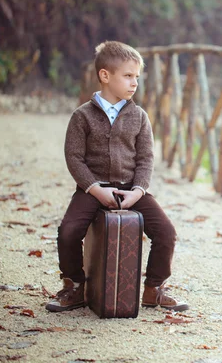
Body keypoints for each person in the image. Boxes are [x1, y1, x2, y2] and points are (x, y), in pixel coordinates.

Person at [46, 41, 188, 312]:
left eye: (137, 77)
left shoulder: (139, 117)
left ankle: (154, 289)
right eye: (128, 76)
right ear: (105, 76)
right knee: (68, 231)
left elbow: (146, 158)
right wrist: (94, 189)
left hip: (130, 189)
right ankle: (74, 287)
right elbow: (74, 158)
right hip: (92, 189)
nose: (134, 83)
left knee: (166, 232)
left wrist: (138, 190)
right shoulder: (82, 116)